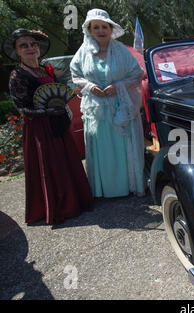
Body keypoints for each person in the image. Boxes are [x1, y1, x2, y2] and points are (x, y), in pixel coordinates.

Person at [4, 28, 94, 224]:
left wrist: (61, 109)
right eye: (24, 46)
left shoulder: (45, 69)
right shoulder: (17, 75)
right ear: (17, 51)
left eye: (33, 44)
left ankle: (75, 201)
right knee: (50, 167)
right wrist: (47, 112)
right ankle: (59, 207)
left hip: (58, 124)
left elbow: (57, 93)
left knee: (66, 162)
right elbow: (22, 109)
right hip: (39, 130)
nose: (30, 48)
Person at [70, 9, 146, 198]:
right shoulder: (83, 53)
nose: (101, 30)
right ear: (89, 29)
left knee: (123, 147)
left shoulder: (121, 50)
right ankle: (103, 189)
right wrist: (88, 86)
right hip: (97, 112)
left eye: (104, 26)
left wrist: (118, 86)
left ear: (111, 29)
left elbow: (137, 74)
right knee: (102, 150)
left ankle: (128, 185)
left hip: (121, 108)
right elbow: (75, 75)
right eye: (96, 27)